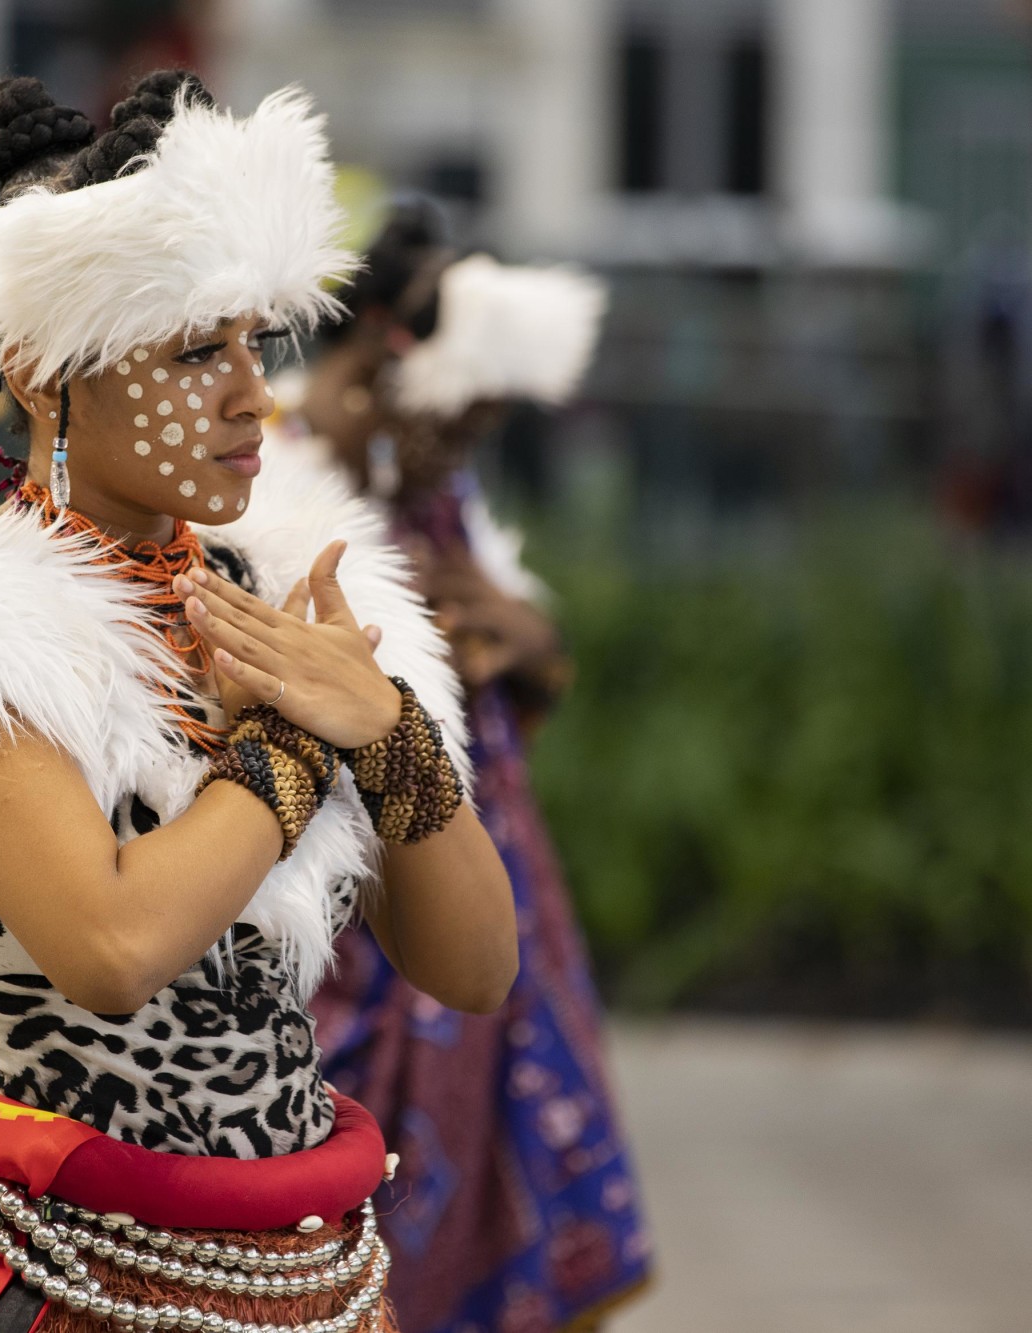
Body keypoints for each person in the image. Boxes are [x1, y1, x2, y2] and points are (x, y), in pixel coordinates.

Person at [0, 73, 518, 1333]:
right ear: (43, 373)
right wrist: (288, 751)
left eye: (252, 345)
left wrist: (386, 735)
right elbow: (110, 948)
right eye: (192, 352)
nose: (252, 395)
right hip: (39, 1278)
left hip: (302, 1270)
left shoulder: (286, 595)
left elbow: (478, 966)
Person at [294, 200, 653, 1333]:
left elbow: (522, 668)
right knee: (359, 1162)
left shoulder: (442, 495)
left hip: (480, 849)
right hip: (352, 893)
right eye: (462, 401)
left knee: (478, 1134)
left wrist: (519, 638)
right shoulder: (287, 484)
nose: (469, 428)